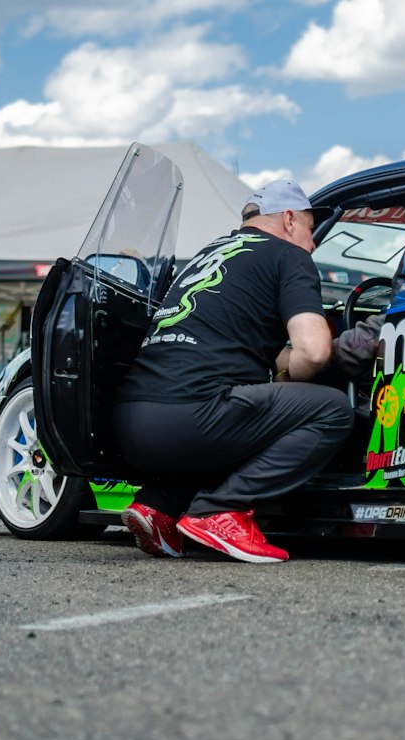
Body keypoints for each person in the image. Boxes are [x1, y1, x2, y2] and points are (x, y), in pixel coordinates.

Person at [113, 179, 354, 564]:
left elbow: (241, 345)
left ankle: (160, 507)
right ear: (290, 219)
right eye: (311, 230)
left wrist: (280, 375)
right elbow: (313, 350)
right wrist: (295, 379)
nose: (312, 243)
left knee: (248, 409)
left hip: (131, 425)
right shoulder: (289, 256)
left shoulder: (209, 255)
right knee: (331, 409)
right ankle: (220, 511)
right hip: (192, 418)